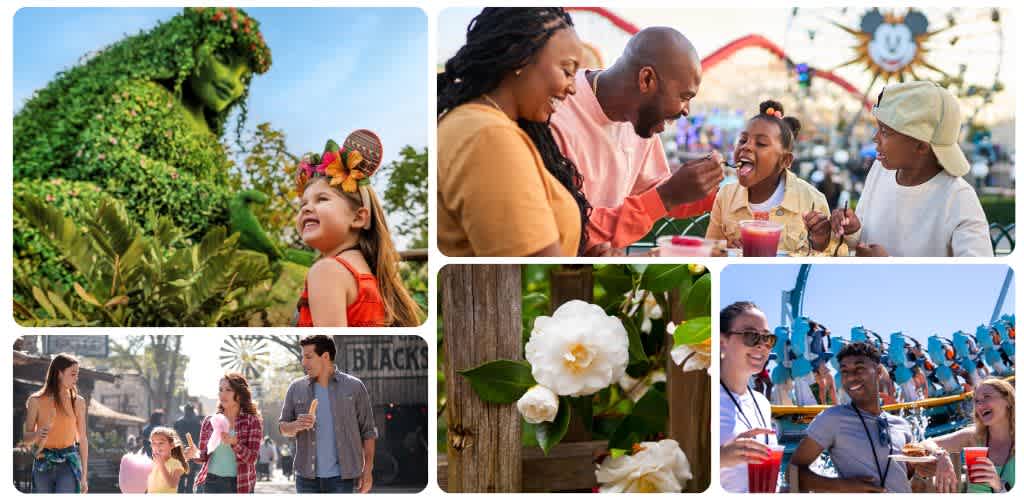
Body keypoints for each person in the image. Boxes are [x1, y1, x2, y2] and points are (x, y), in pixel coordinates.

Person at [548, 26, 723, 253]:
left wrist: (730, 193)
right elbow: (570, 231)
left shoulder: (640, 120)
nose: (687, 111)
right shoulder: (555, 117)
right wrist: (667, 195)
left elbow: (656, 192)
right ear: (646, 79)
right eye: (684, 97)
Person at [438, 8, 589, 256]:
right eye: (567, 71)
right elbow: (534, 259)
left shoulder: (476, 125)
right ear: (520, 57)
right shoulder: (488, 137)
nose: (572, 88)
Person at [810, 81, 992, 256]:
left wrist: (888, 267)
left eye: (885, 132)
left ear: (921, 147)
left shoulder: (959, 198)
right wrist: (851, 229)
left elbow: (980, 280)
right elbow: (862, 240)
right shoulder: (880, 170)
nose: (875, 138)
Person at [293, 132, 422, 327]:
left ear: (358, 217)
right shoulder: (370, 276)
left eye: (322, 199)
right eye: (303, 204)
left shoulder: (327, 271)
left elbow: (335, 345)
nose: (307, 208)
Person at [706, 100, 837, 255]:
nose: (746, 146)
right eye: (743, 140)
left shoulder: (813, 200)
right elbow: (710, 250)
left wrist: (819, 245)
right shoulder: (726, 195)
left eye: (761, 143)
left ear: (785, 160)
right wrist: (726, 250)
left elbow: (832, 258)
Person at [790, 342, 916, 492]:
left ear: (879, 371)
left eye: (859, 368)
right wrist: (841, 486)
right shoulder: (832, 418)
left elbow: (907, 475)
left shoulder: (901, 424)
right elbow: (791, 473)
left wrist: (925, 468)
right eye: (844, 371)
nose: (851, 377)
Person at [280, 335, 377, 493]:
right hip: (306, 480)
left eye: (308, 357)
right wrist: (296, 425)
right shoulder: (296, 388)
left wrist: (368, 471)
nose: (303, 362)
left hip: (342, 479)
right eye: (302, 357)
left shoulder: (354, 387)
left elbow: (368, 432)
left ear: (325, 356)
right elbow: (283, 428)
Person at [718, 302, 778, 492]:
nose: (762, 345)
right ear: (721, 342)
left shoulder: (761, 402)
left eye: (767, 338)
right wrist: (721, 457)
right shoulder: (706, 398)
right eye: (751, 336)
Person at [924, 378, 1014, 493]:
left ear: (1007, 400)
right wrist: (940, 454)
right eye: (976, 401)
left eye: (987, 397)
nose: (980, 405)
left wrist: (999, 486)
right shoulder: (973, 436)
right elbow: (925, 443)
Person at [186, 373, 263, 494]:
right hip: (210, 482)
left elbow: (253, 458)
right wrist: (194, 453)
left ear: (240, 394)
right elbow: (204, 456)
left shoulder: (252, 421)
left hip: (238, 485)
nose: (223, 394)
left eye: (228, 390)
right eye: (220, 390)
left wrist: (235, 443)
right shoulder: (209, 421)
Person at [23, 353, 89, 493]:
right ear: (59, 373)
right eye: (73, 374)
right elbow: (26, 439)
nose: (76, 378)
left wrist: (84, 476)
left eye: (77, 374)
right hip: (42, 463)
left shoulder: (78, 402)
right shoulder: (35, 401)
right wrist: (37, 434)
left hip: (68, 465)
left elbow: (82, 440)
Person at [147, 427, 188, 494]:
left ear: (171, 445)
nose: (157, 446)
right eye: (153, 443)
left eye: (161, 443)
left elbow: (172, 485)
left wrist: (162, 465)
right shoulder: (152, 463)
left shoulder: (176, 464)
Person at [173, 404, 202, 493]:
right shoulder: (197, 422)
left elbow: (174, 436)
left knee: (181, 475)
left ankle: (181, 492)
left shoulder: (178, 422)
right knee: (191, 475)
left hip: (180, 450)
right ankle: (189, 492)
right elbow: (200, 437)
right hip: (193, 449)